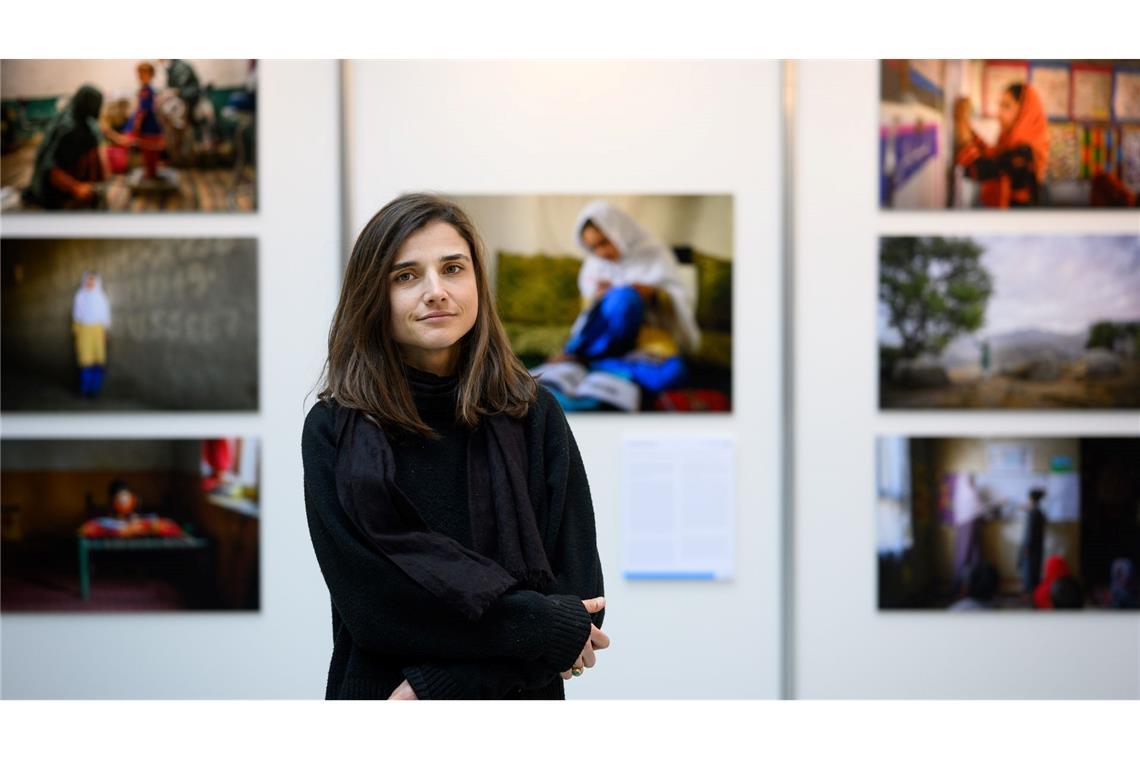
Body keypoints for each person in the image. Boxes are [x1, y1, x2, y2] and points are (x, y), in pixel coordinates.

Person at [303, 193, 609, 700]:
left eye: (452, 268)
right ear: (373, 294)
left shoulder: (536, 413)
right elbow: (375, 607)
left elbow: (579, 608)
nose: (435, 291)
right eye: (406, 276)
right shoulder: (333, 428)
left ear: (477, 282)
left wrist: (439, 686)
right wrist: (538, 626)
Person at [547, 200, 701, 394]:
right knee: (622, 298)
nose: (601, 253)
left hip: (647, 340)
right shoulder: (594, 266)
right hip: (607, 339)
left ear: (618, 230)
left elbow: (679, 301)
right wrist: (601, 298)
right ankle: (600, 361)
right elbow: (588, 316)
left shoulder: (654, 255)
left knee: (674, 373)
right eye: (593, 248)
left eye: (604, 242)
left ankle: (593, 364)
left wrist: (652, 293)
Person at [954, 82, 1049, 208]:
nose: (999, 113)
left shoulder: (1025, 151)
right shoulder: (1011, 142)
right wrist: (965, 124)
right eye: (1000, 105)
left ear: (1025, 112)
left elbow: (980, 168)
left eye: (1006, 106)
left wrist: (961, 123)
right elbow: (992, 154)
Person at [21, 84, 107, 209]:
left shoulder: (71, 116)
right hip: (50, 192)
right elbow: (50, 168)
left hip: (44, 184)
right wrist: (76, 188)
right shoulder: (71, 129)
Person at [72, 271, 111, 399]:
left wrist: (105, 332)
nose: (90, 283)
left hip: (98, 331)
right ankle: (84, 391)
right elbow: (76, 315)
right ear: (84, 281)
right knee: (85, 362)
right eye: (88, 280)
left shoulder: (101, 297)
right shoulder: (80, 296)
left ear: (96, 282)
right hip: (84, 331)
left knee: (98, 362)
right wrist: (76, 332)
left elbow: (106, 316)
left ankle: (95, 391)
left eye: (92, 280)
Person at [1017, 487, 1048, 596]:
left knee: (1029, 572)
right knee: (1035, 571)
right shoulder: (1038, 511)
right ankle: (1034, 594)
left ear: (1031, 499)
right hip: (1037, 548)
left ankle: (1030, 594)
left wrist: (1027, 547)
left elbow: (1030, 533)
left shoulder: (1033, 513)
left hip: (1030, 548)